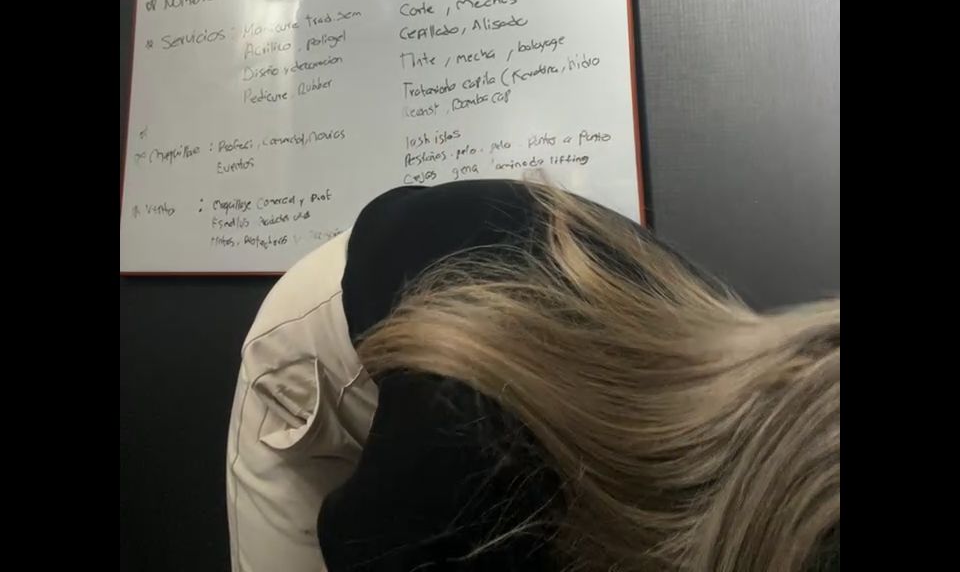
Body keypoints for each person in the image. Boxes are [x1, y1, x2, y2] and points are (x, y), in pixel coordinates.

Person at [227, 179, 839, 572]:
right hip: (338, 334)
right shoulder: (475, 461)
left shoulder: (781, 402)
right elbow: (371, 540)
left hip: (498, 289)